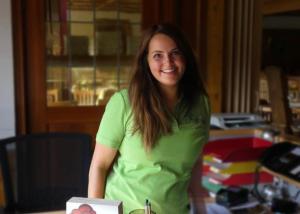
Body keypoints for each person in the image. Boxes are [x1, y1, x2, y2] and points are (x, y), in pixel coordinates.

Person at [88, 23, 210, 214]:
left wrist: (201, 207)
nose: (168, 62)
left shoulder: (200, 103)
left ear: (185, 57)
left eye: (175, 53)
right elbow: (99, 165)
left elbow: (194, 161)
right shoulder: (123, 103)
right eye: (157, 55)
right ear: (146, 61)